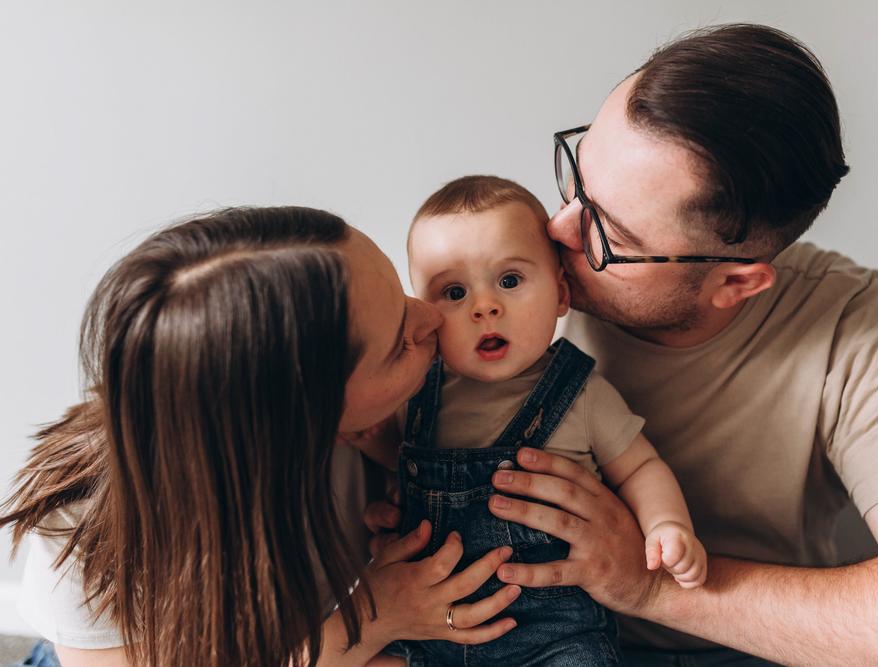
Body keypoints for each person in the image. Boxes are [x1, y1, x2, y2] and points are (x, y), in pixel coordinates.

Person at [365, 24, 878, 665]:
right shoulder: (501, 285)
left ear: (734, 283)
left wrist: (649, 587)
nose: (556, 228)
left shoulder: (847, 326)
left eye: (606, 232)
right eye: (576, 177)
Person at [0, 206, 525, 667]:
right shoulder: (84, 539)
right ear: (305, 427)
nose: (432, 316)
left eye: (401, 293)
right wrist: (375, 616)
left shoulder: (401, 413)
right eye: (398, 346)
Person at [346, 176, 706, 666]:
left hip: (553, 636)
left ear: (560, 295)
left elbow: (641, 468)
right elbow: (412, 462)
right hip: (429, 631)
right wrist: (379, 447)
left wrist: (667, 525)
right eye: (453, 292)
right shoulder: (417, 392)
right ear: (425, 313)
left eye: (510, 281)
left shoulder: (579, 394)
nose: (484, 307)